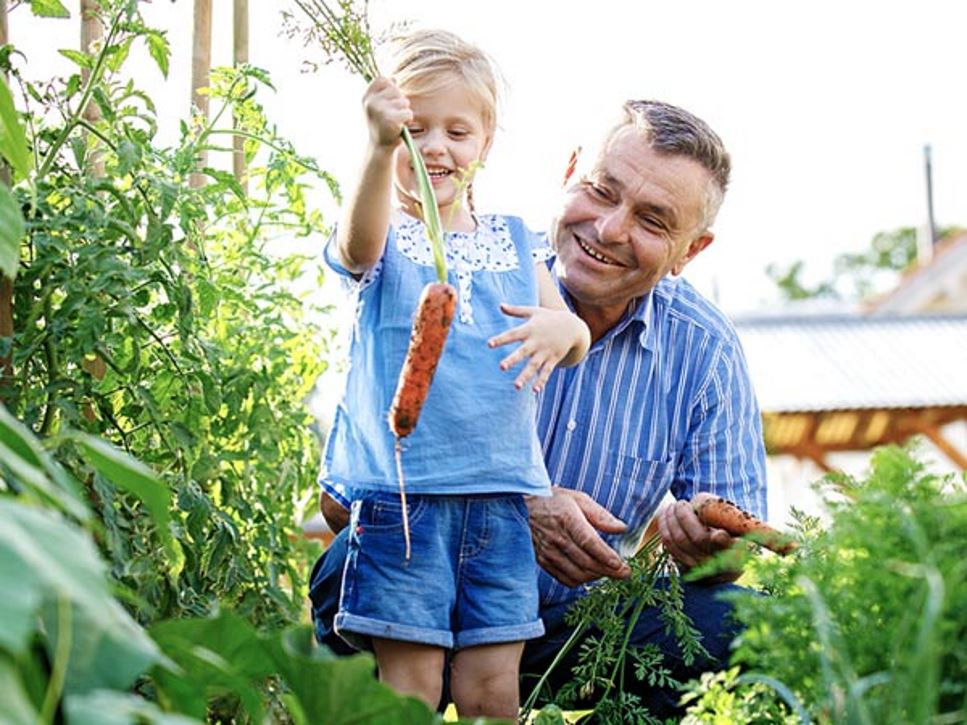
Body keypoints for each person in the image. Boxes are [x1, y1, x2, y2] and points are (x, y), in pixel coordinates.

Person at [312, 97, 768, 720]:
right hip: (420, 598)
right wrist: (517, 504)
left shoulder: (705, 350)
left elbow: (738, 546)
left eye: (653, 221)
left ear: (692, 250)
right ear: (570, 170)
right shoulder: (464, 269)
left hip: (574, 631)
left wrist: (706, 544)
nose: (609, 229)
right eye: (601, 191)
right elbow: (341, 502)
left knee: (734, 622)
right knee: (349, 564)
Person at [319, 29, 590, 720]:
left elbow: (569, 332)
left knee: (493, 691)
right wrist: (379, 149)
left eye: (457, 131)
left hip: (502, 500)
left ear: (486, 143)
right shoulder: (385, 236)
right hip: (404, 499)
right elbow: (354, 247)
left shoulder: (512, 235)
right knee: (408, 686)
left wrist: (569, 330)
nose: (435, 146)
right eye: (417, 128)